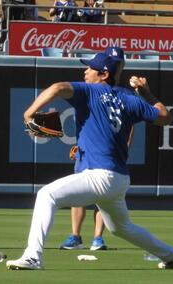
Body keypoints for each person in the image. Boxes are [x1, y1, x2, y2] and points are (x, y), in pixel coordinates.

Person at [6, 51, 173, 270]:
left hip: (100, 175)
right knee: (121, 228)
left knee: (46, 195)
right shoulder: (129, 99)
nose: (86, 70)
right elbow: (166, 117)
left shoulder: (89, 91)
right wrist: (146, 93)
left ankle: (33, 256)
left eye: (91, 68)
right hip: (118, 178)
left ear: (104, 73)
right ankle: (172, 255)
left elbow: (57, 88)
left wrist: (28, 113)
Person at [59, 47, 130, 251]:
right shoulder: (91, 90)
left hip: (111, 156)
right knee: (77, 193)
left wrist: (123, 147)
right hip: (87, 151)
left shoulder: (123, 93)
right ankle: (75, 236)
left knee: (103, 198)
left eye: (120, 61)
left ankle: (97, 237)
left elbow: (128, 128)